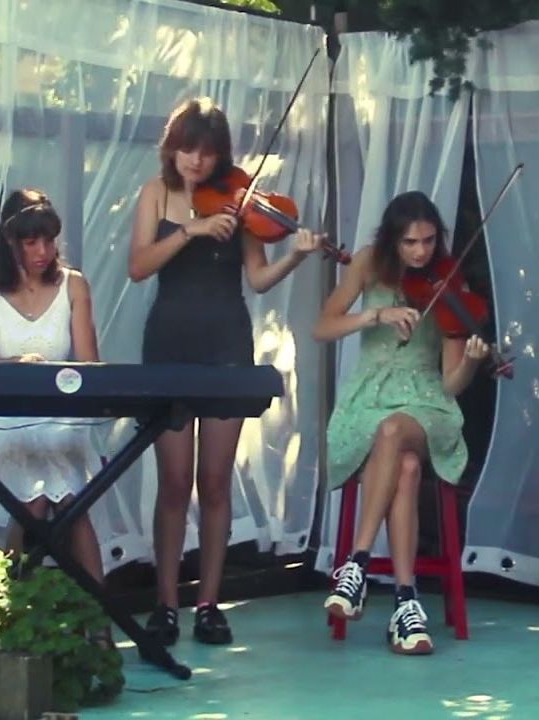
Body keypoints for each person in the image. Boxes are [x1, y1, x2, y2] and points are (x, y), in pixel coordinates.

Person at [128, 97, 323, 645]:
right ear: (173, 147)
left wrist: (296, 256)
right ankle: (165, 604)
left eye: (208, 152)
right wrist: (189, 230)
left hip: (225, 345)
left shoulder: (240, 202)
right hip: (168, 344)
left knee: (214, 483)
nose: (196, 160)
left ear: (221, 156)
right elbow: (138, 266)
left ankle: (210, 603)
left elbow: (257, 279)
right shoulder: (155, 193)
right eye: (187, 149)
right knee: (173, 484)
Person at [313, 191, 489, 655]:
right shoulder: (368, 263)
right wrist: (376, 314)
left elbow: (450, 383)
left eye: (429, 241)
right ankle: (406, 604)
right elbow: (323, 327)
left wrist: (472, 363)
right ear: (392, 240)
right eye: (410, 242)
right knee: (405, 469)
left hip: (427, 404)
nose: (421, 252)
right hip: (367, 398)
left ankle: (356, 563)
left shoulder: (447, 280)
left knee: (394, 430)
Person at [0, 187, 108, 599]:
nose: (43, 251)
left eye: (49, 240)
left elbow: (90, 366)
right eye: (31, 241)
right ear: (10, 241)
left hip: (58, 417)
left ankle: (99, 616)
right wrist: (18, 366)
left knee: (70, 501)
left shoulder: (73, 285)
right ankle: (8, 606)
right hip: (0, 418)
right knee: (34, 499)